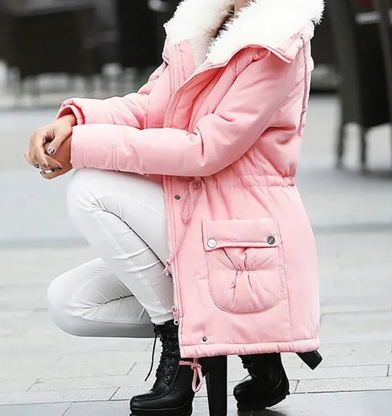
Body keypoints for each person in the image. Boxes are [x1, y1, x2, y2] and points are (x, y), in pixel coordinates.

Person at [24, 0, 325, 415]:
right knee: (71, 302)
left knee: (89, 188)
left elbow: (206, 150)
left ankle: (182, 350)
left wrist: (84, 149)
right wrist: (76, 121)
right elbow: (152, 107)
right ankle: (238, 339)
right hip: (194, 211)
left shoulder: (278, 42)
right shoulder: (204, 22)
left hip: (241, 231)